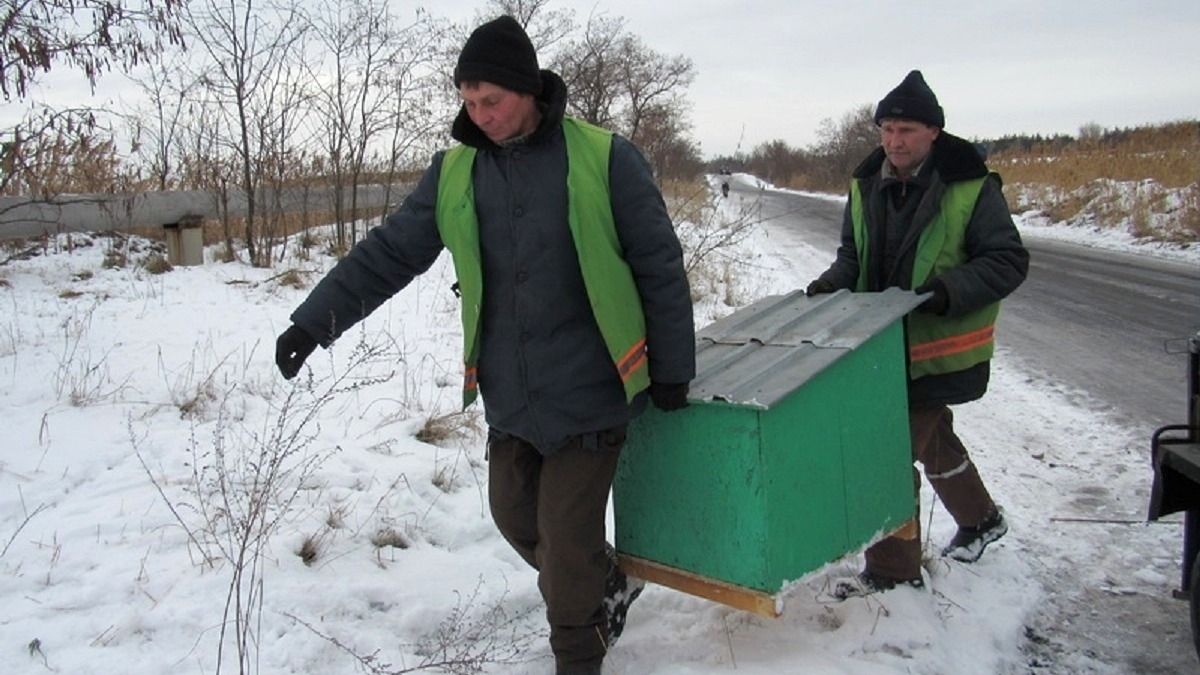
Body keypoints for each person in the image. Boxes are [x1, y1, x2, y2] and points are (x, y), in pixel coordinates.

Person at [273, 15, 695, 675]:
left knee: (564, 538)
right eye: (468, 102)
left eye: (491, 100)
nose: (480, 115)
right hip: (511, 390)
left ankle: (578, 651)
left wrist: (673, 368)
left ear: (527, 90)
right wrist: (311, 323)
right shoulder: (455, 173)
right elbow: (388, 255)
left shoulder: (603, 157)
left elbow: (659, 265)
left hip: (592, 386)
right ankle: (606, 580)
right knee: (512, 515)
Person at [805, 70, 1028, 596]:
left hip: (940, 351)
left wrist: (948, 292)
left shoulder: (972, 188)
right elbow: (853, 258)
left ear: (933, 132)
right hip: (881, 351)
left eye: (905, 129)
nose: (893, 140)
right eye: (886, 128)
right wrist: (829, 287)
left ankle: (893, 575)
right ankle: (982, 521)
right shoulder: (864, 186)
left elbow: (1008, 260)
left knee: (884, 451)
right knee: (933, 440)